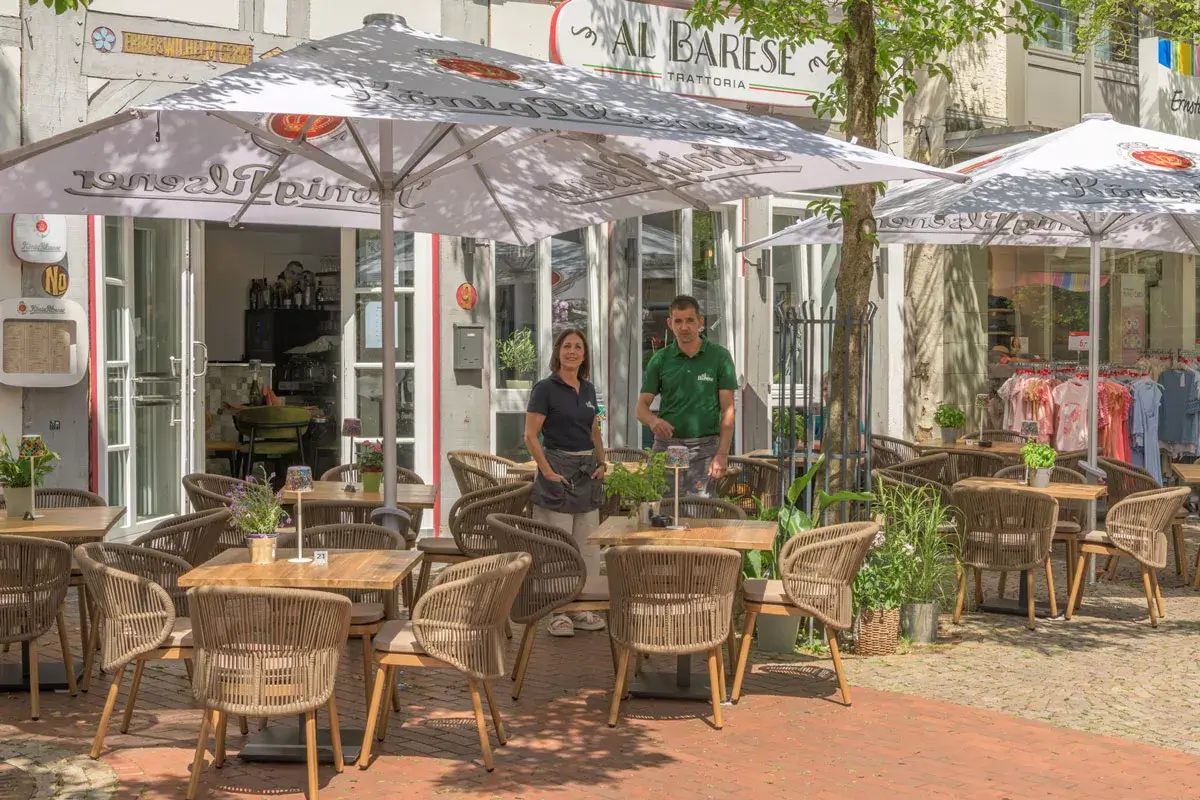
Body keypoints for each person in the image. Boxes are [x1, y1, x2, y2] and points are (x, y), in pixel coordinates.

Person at [525, 328, 608, 638]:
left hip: (587, 473)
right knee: (558, 547)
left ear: (584, 355)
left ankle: (580, 608)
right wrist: (547, 471)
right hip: (557, 470)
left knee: (587, 547)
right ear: (558, 352)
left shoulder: (588, 390)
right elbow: (530, 435)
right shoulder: (544, 389)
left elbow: (594, 431)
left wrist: (602, 462)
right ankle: (558, 612)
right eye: (567, 346)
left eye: (578, 347)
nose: (572, 351)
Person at [636, 295, 737, 497]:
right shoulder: (660, 359)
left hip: (704, 449)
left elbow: (728, 410)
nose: (684, 327)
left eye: (690, 320)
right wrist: (653, 421)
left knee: (700, 510)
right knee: (662, 508)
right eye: (678, 321)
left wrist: (722, 454)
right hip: (667, 447)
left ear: (700, 321)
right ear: (670, 323)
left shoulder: (719, 357)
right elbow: (641, 408)